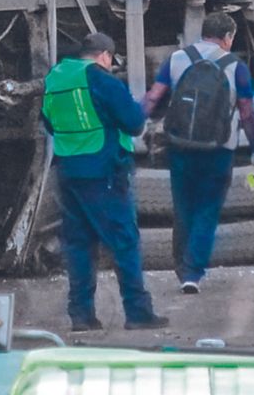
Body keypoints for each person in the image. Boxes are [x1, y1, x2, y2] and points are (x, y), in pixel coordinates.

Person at [41, 33, 168, 331]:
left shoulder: (55, 79)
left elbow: (48, 122)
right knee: (124, 241)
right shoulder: (104, 81)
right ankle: (138, 313)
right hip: (105, 172)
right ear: (105, 56)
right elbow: (134, 123)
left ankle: (82, 316)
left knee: (79, 245)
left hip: (67, 172)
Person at [142, 12, 254, 294]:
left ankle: (181, 266)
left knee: (183, 207)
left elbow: (154, 96)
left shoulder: (177, 59)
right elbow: (246, 112)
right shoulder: (236, 67)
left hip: (180, 145)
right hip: (219, 149)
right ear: (228, 37)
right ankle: (193, 272)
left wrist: (135, 125)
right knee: (207, 209)